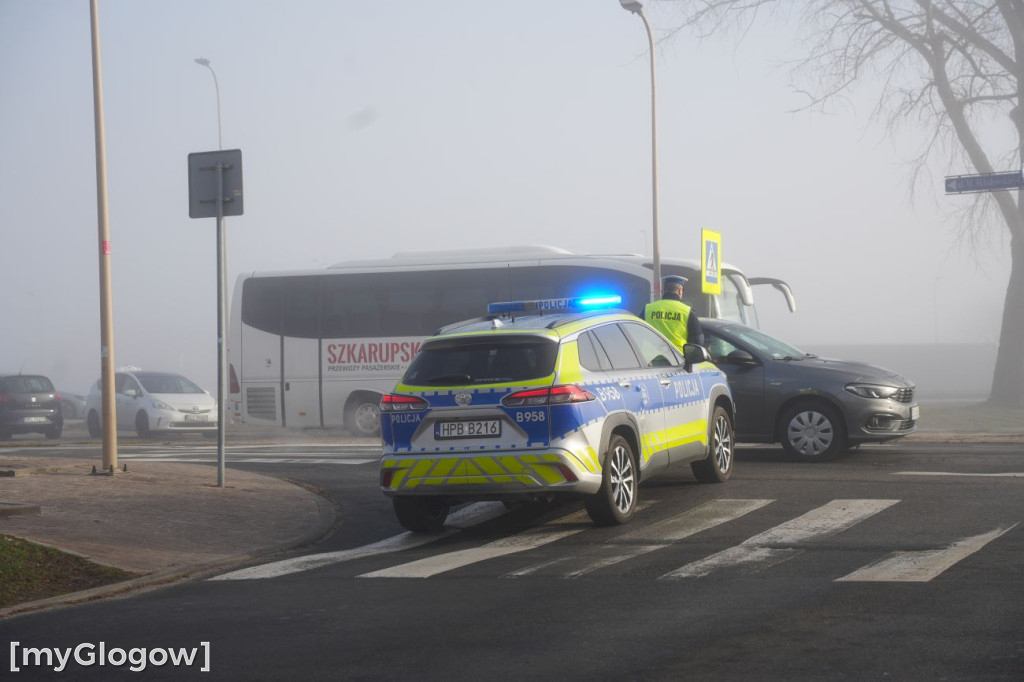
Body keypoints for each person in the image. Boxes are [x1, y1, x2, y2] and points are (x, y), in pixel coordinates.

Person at [643, 275, 704, 350]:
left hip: (650, 358)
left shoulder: (648, 309)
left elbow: (636, 332)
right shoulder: (687, 312)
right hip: (678, 359)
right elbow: (698, 341)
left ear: (663, 290)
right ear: (680, 291)